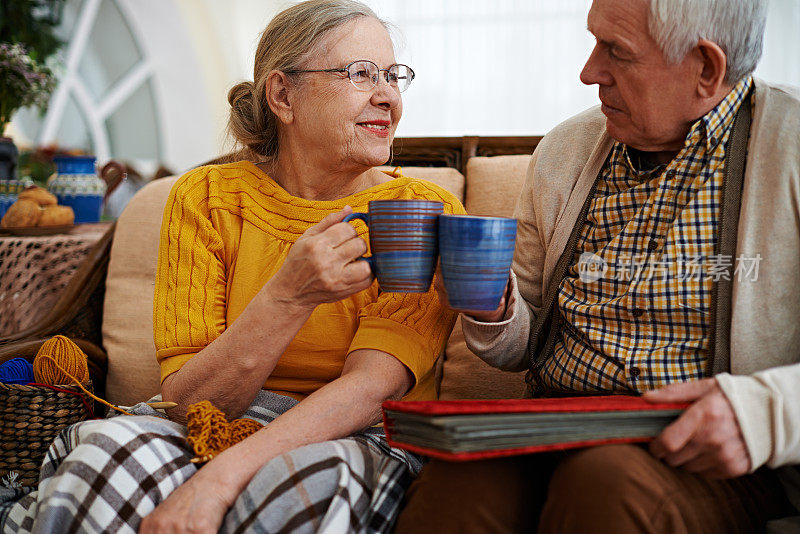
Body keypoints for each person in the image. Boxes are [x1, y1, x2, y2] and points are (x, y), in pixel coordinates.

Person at [0, 1, 464, 533]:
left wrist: (217, 481)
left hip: (355, 434)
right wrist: (286, 298)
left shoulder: (419, 213)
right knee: (105, 457)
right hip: (209, 420)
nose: (388, 95)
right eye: (361, 74)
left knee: (303, 492)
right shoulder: (207, 198)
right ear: (283, 95)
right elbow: (187, 402)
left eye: (392, 76)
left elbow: (372, 391)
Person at [395, 0, 800, 532]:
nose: (589, 72)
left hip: (705, 455)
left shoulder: (790, 145)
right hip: (552, 428)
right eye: (594, 40)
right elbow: (524, 345)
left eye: (617, 51)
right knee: (457, 487)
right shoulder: (567, 149)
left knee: (606, 482)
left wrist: (759, 412)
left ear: (706, 68)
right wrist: (494, 309)